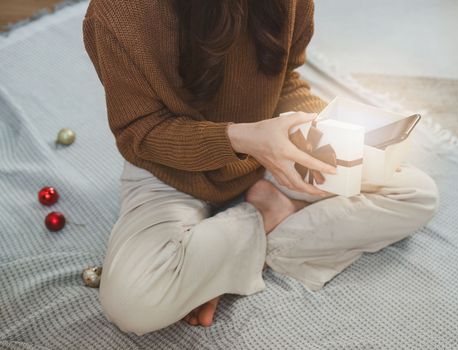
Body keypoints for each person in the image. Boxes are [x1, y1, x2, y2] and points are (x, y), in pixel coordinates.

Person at [82, 0, 439, 336]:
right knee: (133, 305)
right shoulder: (120, 13)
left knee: (414, 193)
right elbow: (141, 133)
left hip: (272, 149)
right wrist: (241, 138)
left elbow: (285, 81)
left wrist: (328, 128)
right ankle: (263, 218)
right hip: (170, 172)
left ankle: (215, 262)